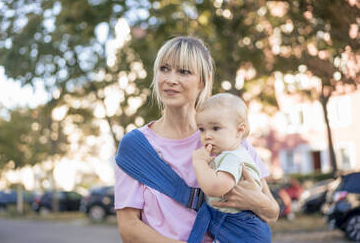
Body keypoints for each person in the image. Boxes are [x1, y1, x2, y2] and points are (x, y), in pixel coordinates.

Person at [115, 36, 279, 243]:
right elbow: (129, 229)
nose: (170, 79)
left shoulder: (226, 137)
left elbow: (272, 213)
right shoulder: (136, 147)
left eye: (183, 71)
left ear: (203, 81)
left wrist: (257, 202)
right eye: (164, 69)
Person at [189, 93, 271, 242]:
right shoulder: (229, 155)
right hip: (236, 223)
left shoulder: (232, 157)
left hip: (241, 226)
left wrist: (199, 163)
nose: (207, 135)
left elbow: (215, 187)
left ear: (239, 131)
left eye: (215, 128)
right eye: (201, 129)